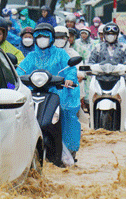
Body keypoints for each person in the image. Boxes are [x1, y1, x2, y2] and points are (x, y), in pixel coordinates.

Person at [17, 23, 80, 161]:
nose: (41, 39)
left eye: (45, 36)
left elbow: (70, 69)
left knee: (66, 115)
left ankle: (69, 148)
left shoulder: (61, 54)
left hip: (58, 93)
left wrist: (69, 79)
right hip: (35, 93)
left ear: (51, 38)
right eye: (38, 36)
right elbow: (20, 71)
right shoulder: (31, 56)